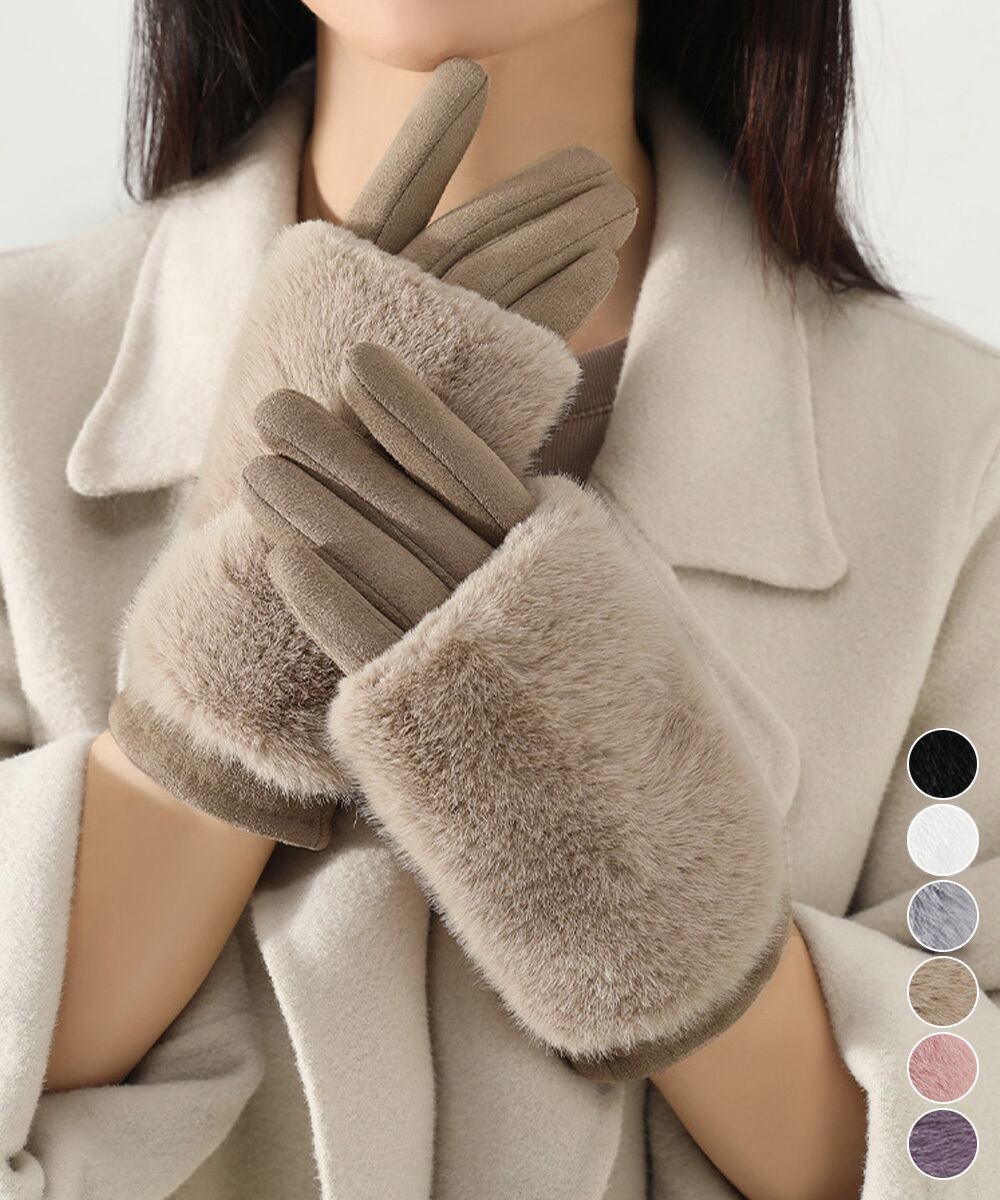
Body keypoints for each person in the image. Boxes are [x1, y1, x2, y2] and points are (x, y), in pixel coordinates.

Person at [1, 2, 997, 1197]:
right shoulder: (17, 374)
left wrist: (642, 880)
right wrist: (221, 704)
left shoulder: (957, 461)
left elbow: (957, 1139)